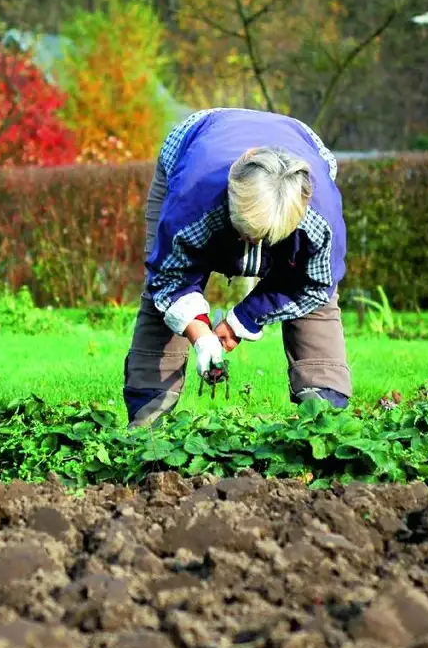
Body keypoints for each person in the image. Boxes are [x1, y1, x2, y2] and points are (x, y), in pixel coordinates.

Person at [122, 107, 352, 427]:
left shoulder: (320, 216)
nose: (254, 243)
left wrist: (243, 320)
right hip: (197, 144)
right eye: (246, 233)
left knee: (317, 305)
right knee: (159, 295)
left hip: (298, 145)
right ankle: (147, 417)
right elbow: (170, 276)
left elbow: (313, 284)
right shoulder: (192, 195)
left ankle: (325, 417)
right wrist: (201, 335)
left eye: (267, 238)